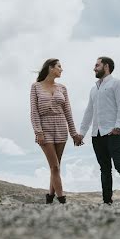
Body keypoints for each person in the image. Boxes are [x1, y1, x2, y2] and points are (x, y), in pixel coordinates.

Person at [78, 56, 120, 204]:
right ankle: (106, 201)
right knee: (104, 169)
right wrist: (82, 133)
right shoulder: (93, 89)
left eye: (97, 65)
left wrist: (118, 126)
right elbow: (89, 112)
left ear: (106, 66)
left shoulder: (117, 83)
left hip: (113, 133)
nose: (94, 68)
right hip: (96, 135)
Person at [30, 58, 82, 204]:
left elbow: (68, 112)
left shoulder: (63, 88)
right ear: (50, 68)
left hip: (61, 127)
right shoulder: (35, 87)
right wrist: (38, 132)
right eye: (59, 66)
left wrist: (74, 134)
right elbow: (34, 112)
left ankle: (50, 197)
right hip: (44, 129)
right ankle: (62, 200)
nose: (61, 69)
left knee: (56, 166)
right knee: (54, 166)